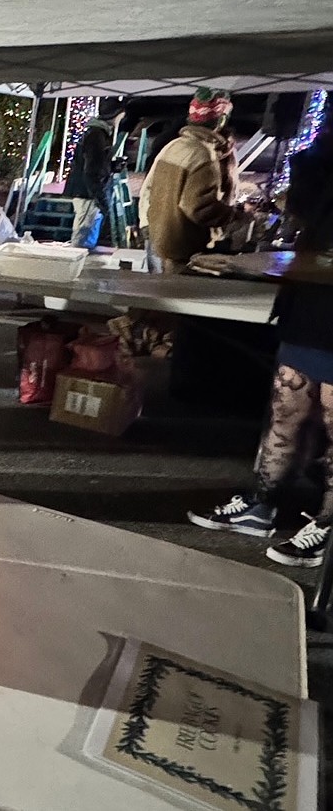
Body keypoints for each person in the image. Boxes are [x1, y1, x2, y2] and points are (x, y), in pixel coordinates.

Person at [188, 128, 333, 566]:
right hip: (310, 307)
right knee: (287, 411)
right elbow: (303, 210)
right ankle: (262, 504)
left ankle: (328, 524)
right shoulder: (321, 159)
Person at [138, 88, 239, 271]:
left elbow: (148, 188)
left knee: (160, 285)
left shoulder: (173, 146)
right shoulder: (203, 155)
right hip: (183, 247)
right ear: (221, 120)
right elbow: (199, 208)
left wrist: (146, 225)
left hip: (160, 237)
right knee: (178, 288)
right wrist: (233, 214)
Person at [63, 96, 126, 248]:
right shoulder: (97, 135)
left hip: (87, 191)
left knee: (86, 235)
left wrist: (111, 166)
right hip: (88, 193)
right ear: (115, 115)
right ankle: (80, 261)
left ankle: (81, 257)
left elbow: (95, 164)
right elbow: (92, 170)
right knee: (83, 238)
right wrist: (100, 197)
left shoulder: (97, 133)